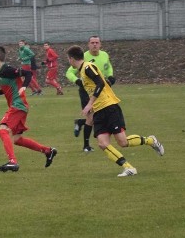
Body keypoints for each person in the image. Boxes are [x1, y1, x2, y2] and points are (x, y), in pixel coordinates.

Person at [66, 45, 163, 177]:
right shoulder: (82, 70)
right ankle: (129, 168)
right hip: (99, 111)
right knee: (102, 143)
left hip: (109, 106)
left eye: (68, 59)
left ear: (71, 59)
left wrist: (89, 104)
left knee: (123, 142)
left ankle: (151, 141)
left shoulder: (88, 67)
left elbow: (100, 83)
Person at [0, 45, 57, 172]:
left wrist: (24, 86)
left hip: (18, 105)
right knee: (17, 139)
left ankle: (13, 162)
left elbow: (28, 73)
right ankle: (48, 151)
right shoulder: (1, 71)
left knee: (2, 131)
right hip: (19, 106)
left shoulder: (7, 69)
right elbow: (8, 87)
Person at [68, 36, 116, 152]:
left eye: (97, 42)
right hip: (87, 91)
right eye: (92, 42)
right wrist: (78, 81)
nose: (94, 44)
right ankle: (86, 145)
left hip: (101, 90)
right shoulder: (83, 57)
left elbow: (108, 67)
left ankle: (80, 123)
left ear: (100, 44)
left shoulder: (104, 55)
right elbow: (69, 72)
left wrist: (110, 76)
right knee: (91, 117)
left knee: (95, 117)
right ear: (88, 45)